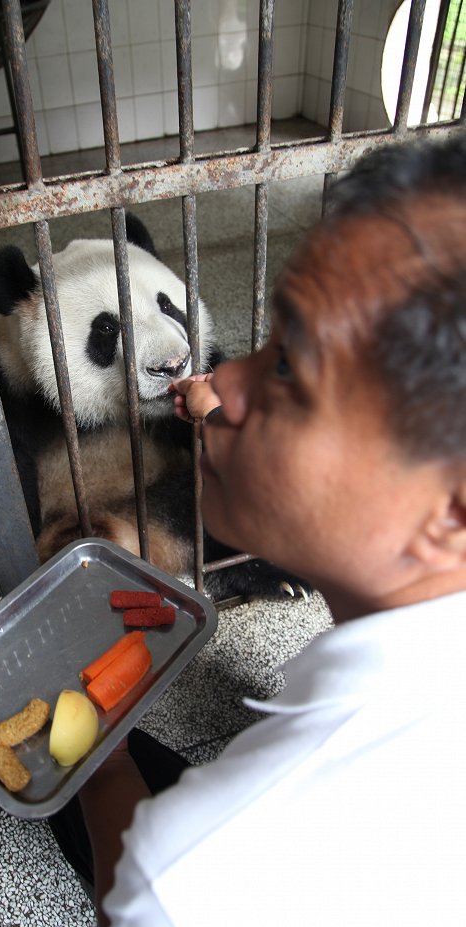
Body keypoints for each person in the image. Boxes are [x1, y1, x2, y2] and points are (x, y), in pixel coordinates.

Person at [49, 131, 466, 925]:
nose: (218, 376)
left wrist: (101, 767)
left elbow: (140, 895)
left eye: (287, 368)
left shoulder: (192, 869)